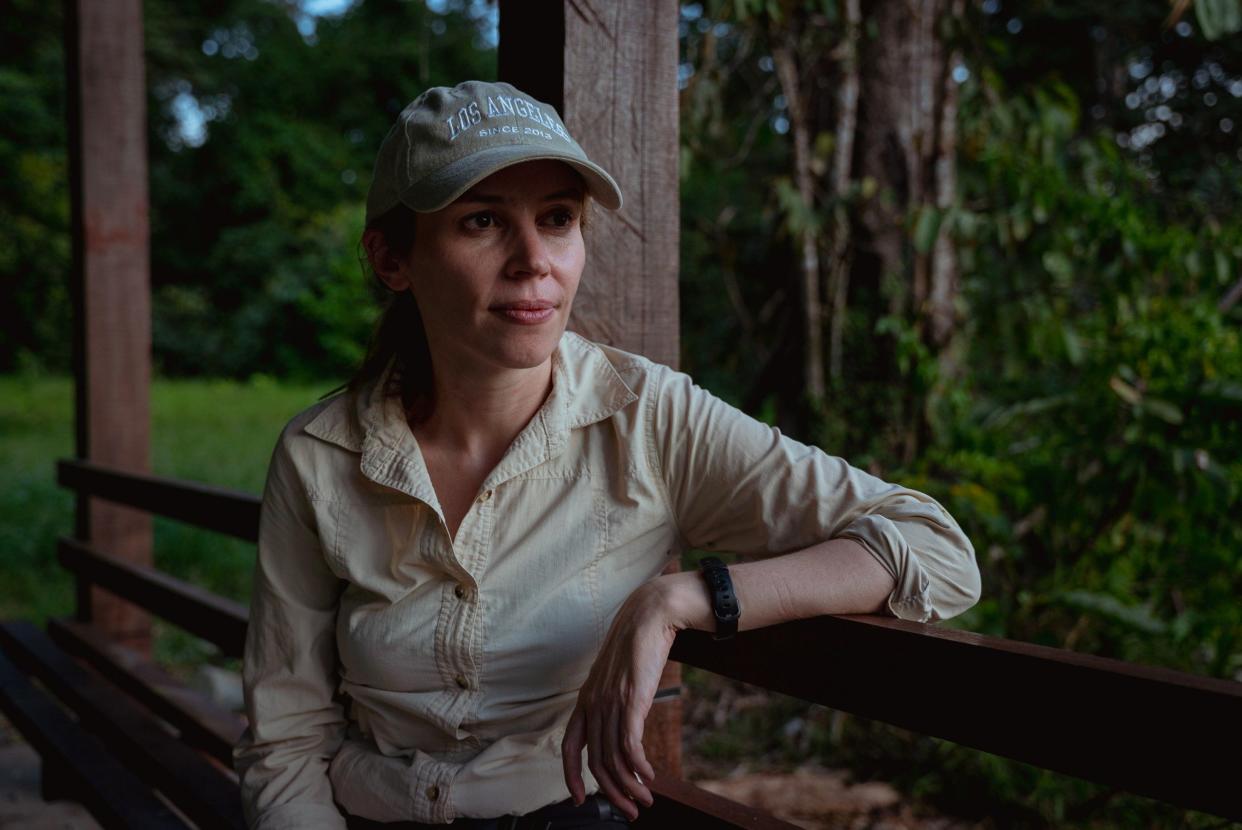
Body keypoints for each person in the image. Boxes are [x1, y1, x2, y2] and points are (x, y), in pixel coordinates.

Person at [234, 80, 980, 830]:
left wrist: (681, 599)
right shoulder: (321, 455)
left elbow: (935, 549)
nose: (534, 261)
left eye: (557, 219)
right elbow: (287, 735)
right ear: (392, 258)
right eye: (482, 221)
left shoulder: (650, 417)